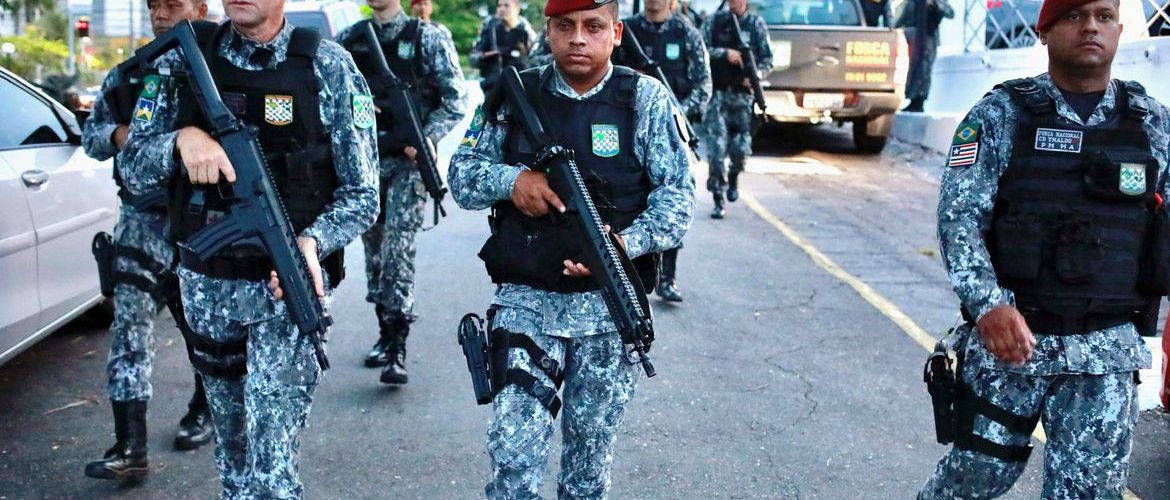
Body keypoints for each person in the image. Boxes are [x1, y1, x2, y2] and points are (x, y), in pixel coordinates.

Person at [117, 0, 379, 495]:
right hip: (207, 287)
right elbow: (131, 167)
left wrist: (312, 242)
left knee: (272, 466)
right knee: (233, 456)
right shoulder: (183, 60)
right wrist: (182, 140)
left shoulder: (328, 66)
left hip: (285, 290)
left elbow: (363, 194)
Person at [919, 0, 1169, 497]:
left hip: (1105, 353)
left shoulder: (1152, 125)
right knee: (975, 478)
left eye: (1103, 16)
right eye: (1074, 16)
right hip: (1011, 345)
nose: (1091, 27)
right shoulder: (1000, 115)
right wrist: (988, 305)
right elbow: (959, 218)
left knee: (1088, 492)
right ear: (1044, 31)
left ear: (1119, 29)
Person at [448, 0, 695, 495]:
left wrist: (622, 245)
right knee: (513, 456)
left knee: (587, 464)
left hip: (607, 310)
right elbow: (461, 175)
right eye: (565, 26)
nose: (578, 38)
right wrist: (512, 181)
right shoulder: (516, 95)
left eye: (593, 26)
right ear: (549, 31)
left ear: (616, 32)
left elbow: (678, 198)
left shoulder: (644, 99)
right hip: (527, 303)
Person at [80, 0, 214, 483]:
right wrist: (122, 135)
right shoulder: (128, 75)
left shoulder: (221, 67)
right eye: (155, 5)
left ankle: (205, 410)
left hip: (204, 221)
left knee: (205, 326)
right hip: (142, 220)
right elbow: (92, 135)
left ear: (200, 8)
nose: (161, 13)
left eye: (172, 4)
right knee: (129, 328)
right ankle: (129, 444)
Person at [336, 0, 468, 385]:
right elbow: (330, 96)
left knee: (398, 248)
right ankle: (384, 329)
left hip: (408, 164)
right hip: (366, 162)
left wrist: (426, 138)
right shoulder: (349, 40)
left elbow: (455, 99)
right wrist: (361, 109)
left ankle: (397, 342)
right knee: (375, 252)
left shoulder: (428, 38)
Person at [613, 0, 711, 302]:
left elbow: (703, 86)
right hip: (627, 127)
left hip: (671, 130)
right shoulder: (628, 30)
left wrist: (675, 113)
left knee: (669, 198)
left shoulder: (686, 33)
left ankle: (667, 277)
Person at [703, 0, 772, 219]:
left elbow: (768, 59)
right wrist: (725, 53)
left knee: (740, 150)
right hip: (718, 96)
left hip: (743, 98)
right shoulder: (714, 22)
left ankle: (733, 177)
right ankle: (718, 198)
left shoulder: (755, 24)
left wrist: (756, 76)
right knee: (716, 152)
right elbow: (701, 50)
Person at [897, 0, 954, 112]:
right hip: (917, 38)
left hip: (929, 39)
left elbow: (950, 13)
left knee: (925, 71)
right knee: (914, 69)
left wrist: (935, 4)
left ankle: (920, 100)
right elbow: (904, 14)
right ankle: (913, 99)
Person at [471, 0, 538, 94]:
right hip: (493, 89)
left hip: (522, 89)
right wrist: (484, 56)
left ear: (517, 9)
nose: (501, 9)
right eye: (499, 6)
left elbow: (537, 60)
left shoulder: (526, 31)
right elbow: (473, 59)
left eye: (506, 6)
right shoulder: (488, 29)